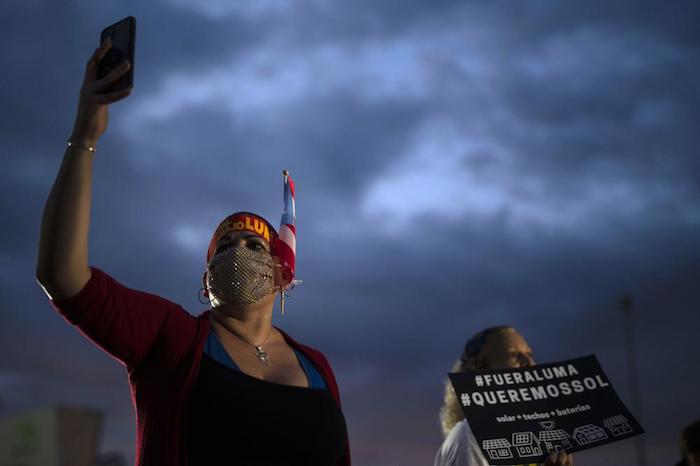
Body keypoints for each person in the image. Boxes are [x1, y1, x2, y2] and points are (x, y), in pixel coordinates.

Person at [36, 37, 350, 466]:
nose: (238, 250)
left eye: (254, 244)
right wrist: (85, 135)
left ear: (281, 275)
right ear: (206, 280)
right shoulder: (172, 340)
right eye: (224, 246)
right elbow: (63, 277)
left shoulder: (317, 367)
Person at [434, 326, 574, 466]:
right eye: (512, 355)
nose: (530, 364)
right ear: (480, 371)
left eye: (529, 355)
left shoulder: (537, 440)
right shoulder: (470, 438)